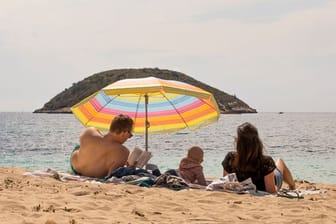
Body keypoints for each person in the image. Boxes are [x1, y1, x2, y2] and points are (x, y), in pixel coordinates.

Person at [222, 122, 295, 193]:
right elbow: (271, 191)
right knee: (280, 162)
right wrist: (277, 189)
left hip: (249, 186)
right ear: (257, 142)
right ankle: (292, 186)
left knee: (277, 165)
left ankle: (292, 185)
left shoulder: (230, 158)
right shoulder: (266, 161)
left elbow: (226, 183)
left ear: (238, 142)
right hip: (268, 183)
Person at [70, 114, 134, 178]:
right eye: (130, 135)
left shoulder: (90, 131)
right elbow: (111, 176)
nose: (127, 138)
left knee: (79, 147)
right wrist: (128, 170)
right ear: (124, 133)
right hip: (92, 175)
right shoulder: (123, 151)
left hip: (75, 167)